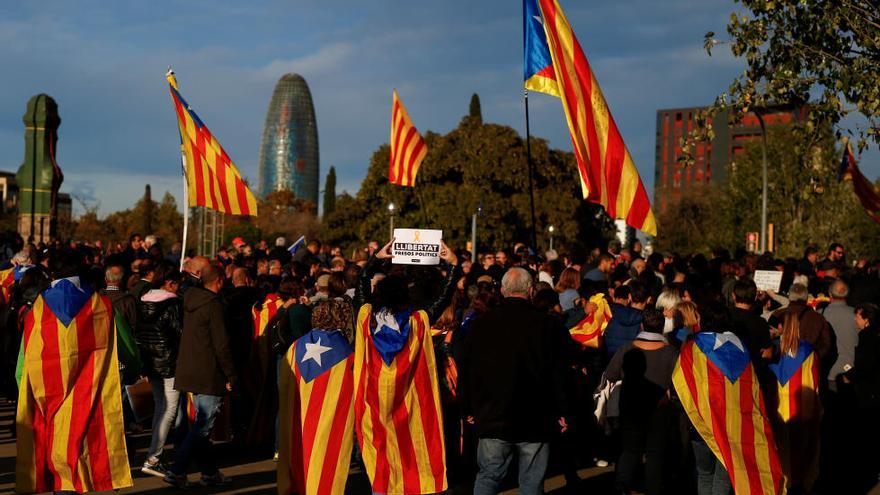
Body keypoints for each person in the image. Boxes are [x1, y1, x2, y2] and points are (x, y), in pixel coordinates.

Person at [461, 267, 569, 495]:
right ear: (531, 291)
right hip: (535, 416)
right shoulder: (548, 325)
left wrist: (468, 406)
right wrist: (562, 410)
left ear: (502, 291)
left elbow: (468, 369)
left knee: (488, 477)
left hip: (493, 413)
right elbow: (558, 373)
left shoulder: (481, 324)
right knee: (531, 482)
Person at [164, 264, 237, 488]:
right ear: (220, 281)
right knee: (203, 426)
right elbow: (221, 344)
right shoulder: (213, 305)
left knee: (201, 427)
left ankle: (209, 473)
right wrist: (231, 374)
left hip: (190, 369)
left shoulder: (188, 300)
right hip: (208, 372)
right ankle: (176, 470)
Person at [137, 262, 183, 477]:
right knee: (169, 410)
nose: (178, 288)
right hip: (169, 362)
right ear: (169, 283)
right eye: (177, 284)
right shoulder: (173, 305)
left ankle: (153, 455)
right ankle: (153, 458)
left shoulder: (143, 300)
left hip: (150, 362)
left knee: (159, 408)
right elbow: (178, 334)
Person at [845, 303, 880, 490]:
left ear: (866, 319)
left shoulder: (867, 337)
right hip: (875, 390)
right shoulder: (875, 334)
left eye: (858, 316)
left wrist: (849, 377)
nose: (855, 320)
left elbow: (865, 365)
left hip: (869, 393)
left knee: (868, 431)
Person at [604, 280, 649, 358]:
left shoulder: (615, 316)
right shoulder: (647, 321)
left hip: (612, 365)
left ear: (629, 297)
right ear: (648, 299)